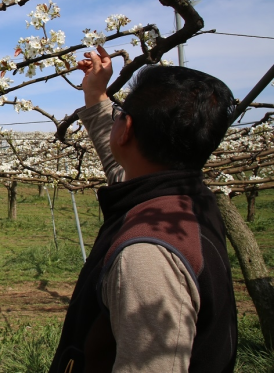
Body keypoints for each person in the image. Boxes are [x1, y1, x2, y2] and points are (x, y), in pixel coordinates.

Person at [49, 46, 238, 373]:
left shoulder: (148, 255)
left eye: (121, 114)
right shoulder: (183, 202)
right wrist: (97, 95)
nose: (117, 119)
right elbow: (120, 167)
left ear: (128, 130)